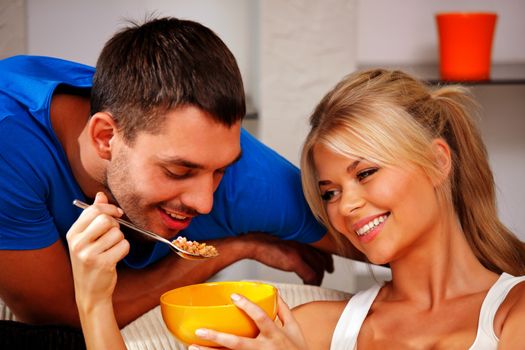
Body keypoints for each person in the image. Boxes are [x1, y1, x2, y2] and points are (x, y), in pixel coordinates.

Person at [71, 68, 525, 349]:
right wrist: (93, 302)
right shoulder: (311, 327)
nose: (345, 205)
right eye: (328, 192)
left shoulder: (514, 312)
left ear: (438, 161)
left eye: (365, 173)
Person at [0, 16, 346, 332]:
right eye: (179, 171)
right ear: (105, 137)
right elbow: (55, 314)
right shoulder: (10, 145)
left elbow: (390, 233)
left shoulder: (249, 177)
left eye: (221, 171)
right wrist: (238, 246)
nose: (205, 202)